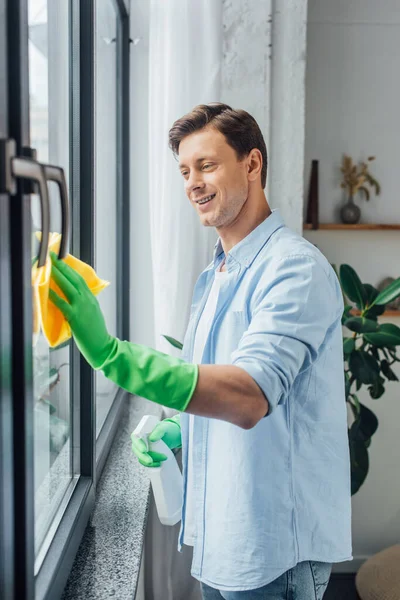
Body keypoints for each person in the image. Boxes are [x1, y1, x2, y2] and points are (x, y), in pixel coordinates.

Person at [50, 103, 352, 599]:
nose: (193, 182)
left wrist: (111, 355)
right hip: (221, 540)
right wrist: (181, 431)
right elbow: (216, 382)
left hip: (274, 553)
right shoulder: (216, 275)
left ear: (252, 165)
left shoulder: (295, 270)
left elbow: (249, 394)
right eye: (185, 171)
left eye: (207, 165)